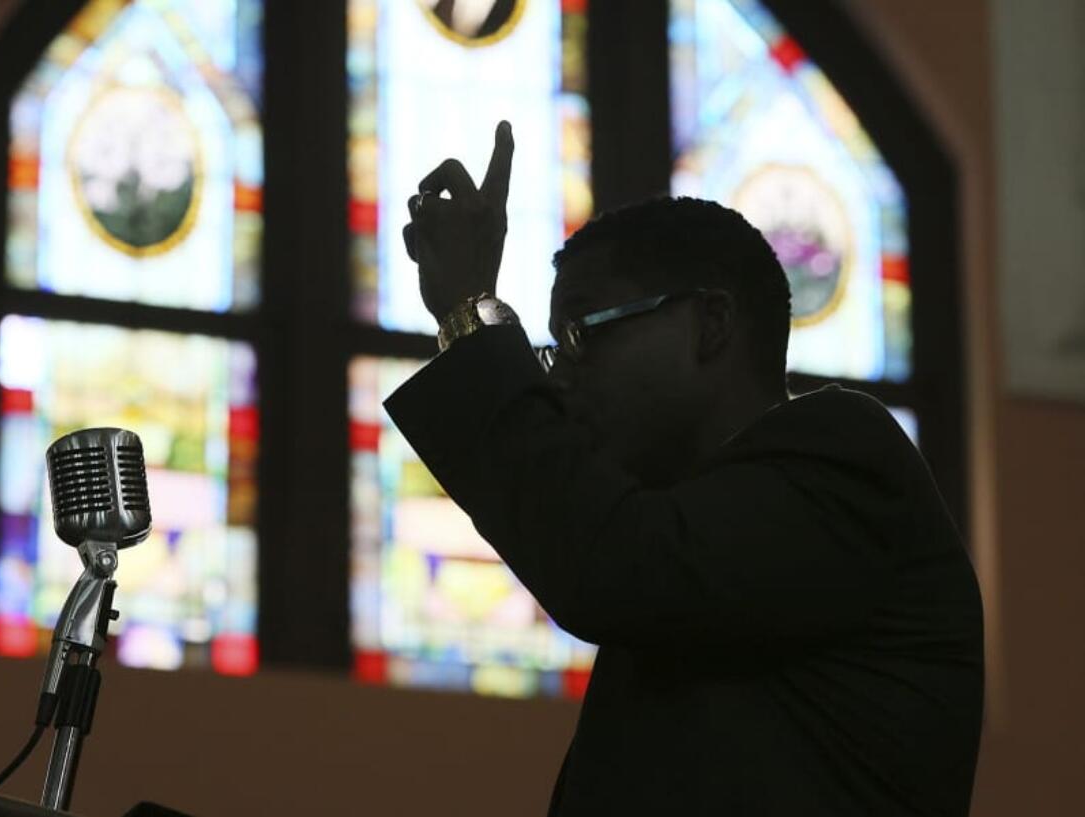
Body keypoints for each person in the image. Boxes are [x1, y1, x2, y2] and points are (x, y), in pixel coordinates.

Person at [386, 121, 984, 815]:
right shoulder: (692, 543)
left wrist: (470, 314)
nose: (560, 379)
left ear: (712, 324)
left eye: (583, 332)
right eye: (556, 346)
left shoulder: (846, 460)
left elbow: (614, 563)